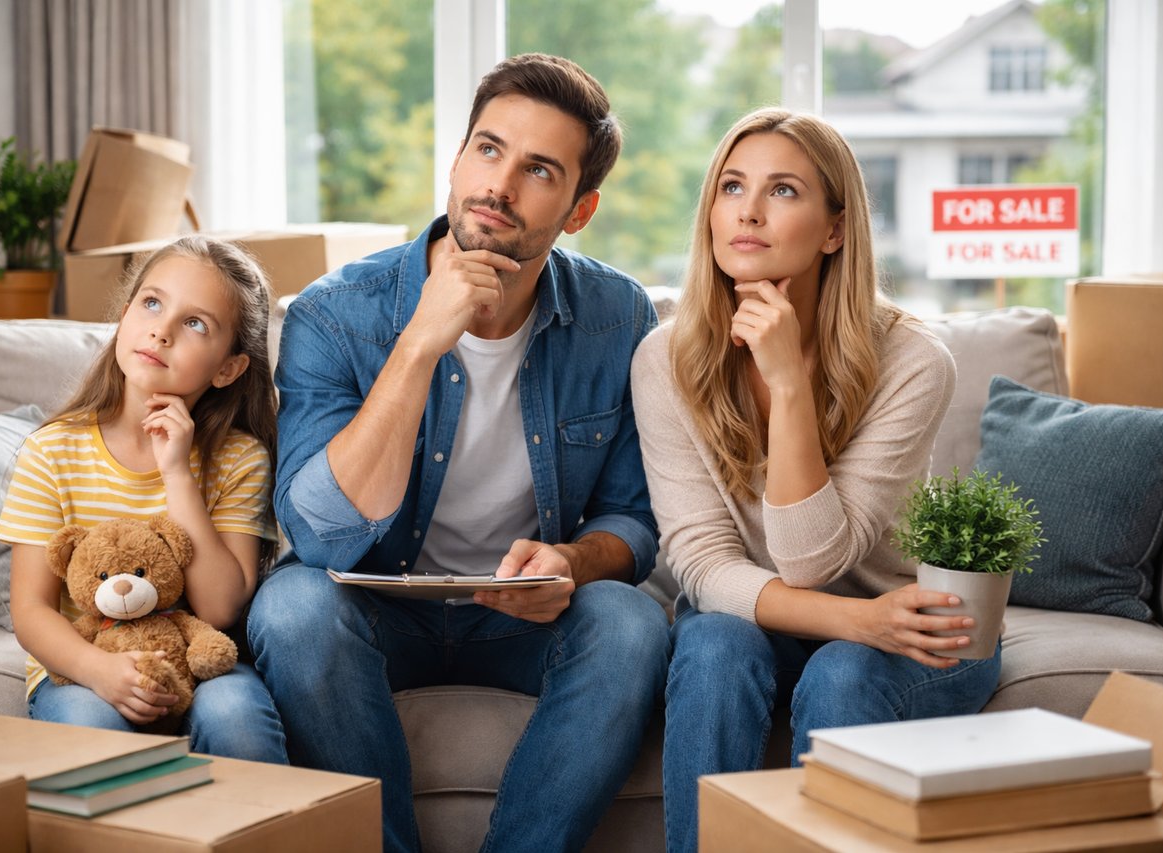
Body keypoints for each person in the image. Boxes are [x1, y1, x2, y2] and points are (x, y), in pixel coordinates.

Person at [247, 53, 669, 853]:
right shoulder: (334, 314)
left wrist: (571, 565)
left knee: (629, 622)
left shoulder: (618, 316)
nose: (499, 186)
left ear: (580, 209)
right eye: (487, 148)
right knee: (291, 607)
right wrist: (417, 346)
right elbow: (319, 536)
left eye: (538, 169)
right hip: (376, 607)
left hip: (519, 621)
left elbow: (634, 518)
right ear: (457, 156)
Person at [630, 108, 1002, 852]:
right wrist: (853, 620)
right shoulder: (664, 359)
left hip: (906, 630)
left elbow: (811, 559)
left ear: (835, 228)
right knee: (710, 647)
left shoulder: (914, 361)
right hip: (806, 621)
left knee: (841, 675)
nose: (750, 209)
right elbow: (701, 567)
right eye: (732, 186)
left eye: (784, 191)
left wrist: (790, 385)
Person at [0, 235, 288, 764]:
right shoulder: (52, 450)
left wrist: (177, 473)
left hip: (198, 658)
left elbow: (219, 608)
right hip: (83, 663)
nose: (162, 330)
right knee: (94, 731)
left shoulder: (238, 458)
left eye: (196, 324)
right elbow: (31, 609)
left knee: (238, 722)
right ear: (125, 314)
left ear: (228, 369)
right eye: (152, 303)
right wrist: (98, 671)